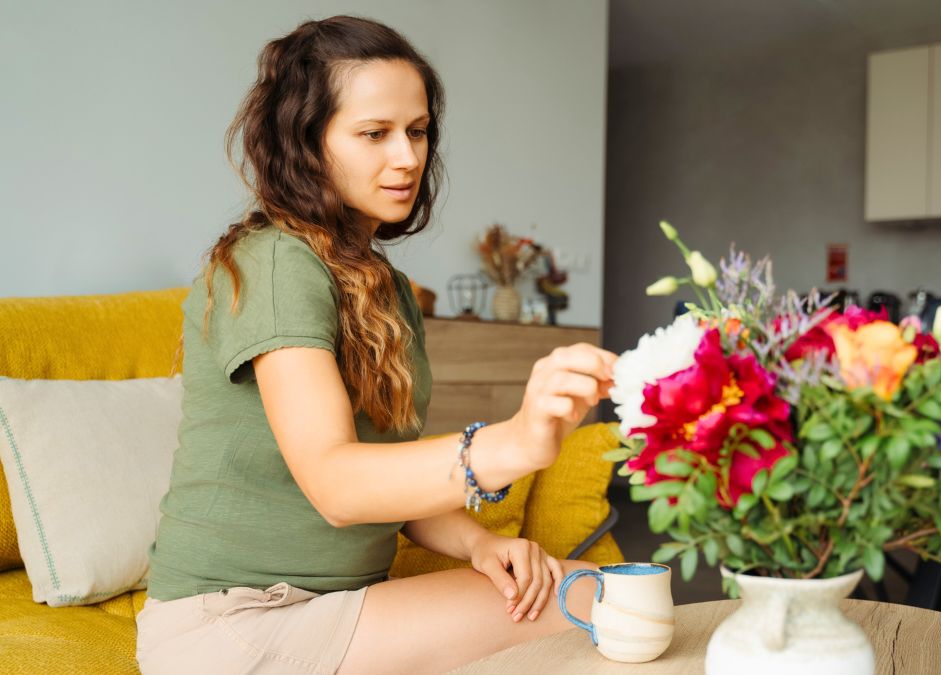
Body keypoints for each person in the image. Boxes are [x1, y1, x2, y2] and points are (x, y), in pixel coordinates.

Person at [135, 15, 618, 674]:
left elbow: (385, 476)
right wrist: (511, 443)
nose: (408, 157)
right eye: (374, 133)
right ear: (307, 142)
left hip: (330, 604)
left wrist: (477, 543)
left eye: (417, 131)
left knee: (593, 597)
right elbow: (338, 484)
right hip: (236, 623)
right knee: (600, 602)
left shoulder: (385, 285)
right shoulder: (275, 262)